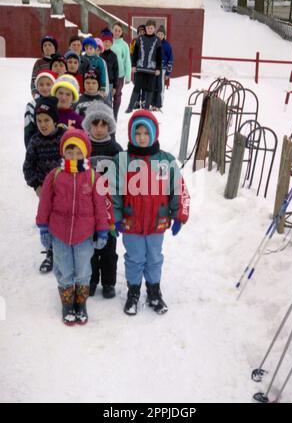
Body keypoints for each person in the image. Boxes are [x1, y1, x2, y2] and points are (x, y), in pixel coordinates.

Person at [112, 110, 190, 316]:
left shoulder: (166, 161)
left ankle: (154, 292)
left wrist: (179, 215)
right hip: (131, 222)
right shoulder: (123, 160)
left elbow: (178, 188)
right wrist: (115, 218)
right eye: (137, 133)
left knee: (154, 257)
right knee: (135, 257)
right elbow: (113, 191)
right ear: (130, 135)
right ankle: (133, 292)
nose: (142, 138)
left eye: (146, 133)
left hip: (157, 222)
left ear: (154, 133)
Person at [36, 129, 112, 325]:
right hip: (59, 233)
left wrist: (102, 230)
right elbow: (44, 203)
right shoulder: (55, 175)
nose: (74, 156)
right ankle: (67, 302)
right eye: (70, 152)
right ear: (63, 152)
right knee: (63, 268)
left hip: (84, 235)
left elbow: (100, 207)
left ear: (85, 153)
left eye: (78, 152)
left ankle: (81, 302)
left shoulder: (93, 177)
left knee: (83, 270)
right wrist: (43, 227)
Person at [82, 102, 123, 298]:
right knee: (89, 249)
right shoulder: (83, 148)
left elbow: (124, 179)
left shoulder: (115, 149)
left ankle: (108, 282)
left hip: (109, 211)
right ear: (88, 125)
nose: (99, 129)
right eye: (95, 124)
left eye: (103, 124)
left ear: (110, 126)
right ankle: (91, 280)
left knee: (109, 250)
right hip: (88, 209)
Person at [23, 96, 66, 274]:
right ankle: (50, 252)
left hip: (64, 189)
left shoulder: (63, 138)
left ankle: (64, 250)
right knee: (47, 221)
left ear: (55, 120)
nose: (43, 124)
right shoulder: (35, 142)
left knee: (63, 219)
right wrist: (36, 186)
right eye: (39, 121)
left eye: (47, 120)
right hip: (45, 192)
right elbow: (28, 167)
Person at [125, 20, 162, 113]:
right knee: (137, 87)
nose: (149, 29)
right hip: (140, 68)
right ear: (146, 28)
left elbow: (159, 56)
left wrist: (158, 68)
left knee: (150, 89)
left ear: (154, 29)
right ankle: (130, 107)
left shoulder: (157, 40)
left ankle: (146, 109)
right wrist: (133, 65)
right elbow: (135, 53)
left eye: (151, 28)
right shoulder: (140, 39)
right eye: (148, 27)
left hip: (152, 70)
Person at [24, 69, 57, 148]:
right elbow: (28, 130)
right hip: (38, 147)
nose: (45, 88)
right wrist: (30, 149)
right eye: (41, 85)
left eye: (48, 84)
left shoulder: (57, 103)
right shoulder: (31, 105)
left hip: (56, 147)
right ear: (37, 86)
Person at [110, 24, 132, 120]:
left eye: (119, 31)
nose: (117, 32)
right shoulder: (108, 42)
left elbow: (127, 60)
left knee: (117, 94)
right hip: (108, 74)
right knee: (107, 95)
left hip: (119, 75)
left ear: (122, 32)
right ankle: (107, 115)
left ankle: (114, 115)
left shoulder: (124, 45)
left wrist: (128, 76)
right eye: (115, 30)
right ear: (112, 30)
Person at [151, 25, 174, 111]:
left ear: (164, 35)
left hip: (163, 69)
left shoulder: (167, 46)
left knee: (160, 87)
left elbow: (170, 59)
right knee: (152, 86)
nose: (160, 36)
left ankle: (158, 105)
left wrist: (168, 73)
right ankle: (152, 104)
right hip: (153, 69)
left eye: (162, 34)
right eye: (159, 34)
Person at [101, 32, 119, 107]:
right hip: (101, 83)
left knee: (108, 102)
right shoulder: (99, 54)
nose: (107, 44)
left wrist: (115, 86)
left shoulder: (114, 55)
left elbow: (116, 71)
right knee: (100, 102)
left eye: (109, 42)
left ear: (111, 44)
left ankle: (108, 117)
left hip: (110, 83)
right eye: (105, 42)